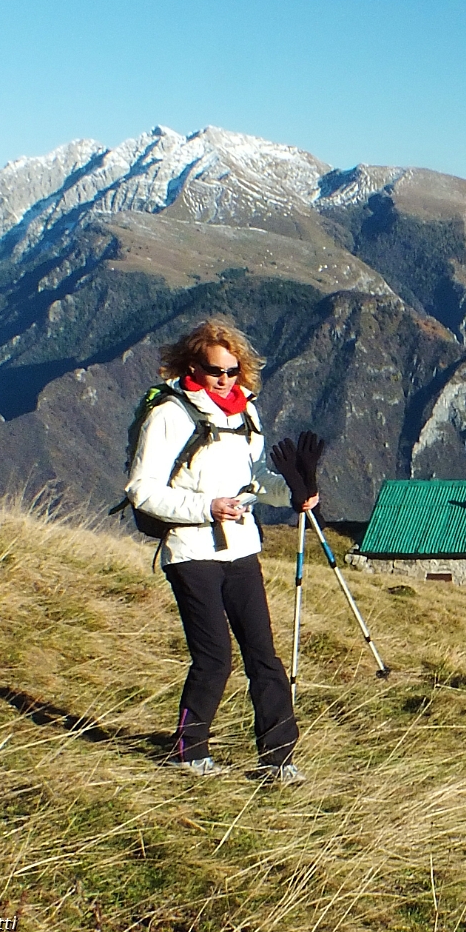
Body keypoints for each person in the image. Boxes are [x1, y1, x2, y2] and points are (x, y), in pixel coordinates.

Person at [125, 318, 316, 783]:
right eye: (216, 370)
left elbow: (252, 483)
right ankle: (189, 752)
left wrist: (292, 492)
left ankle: (278, 761)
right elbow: (141, 491)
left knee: (263, 656)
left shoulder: (245, 413)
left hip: (241, 549)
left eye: (233, 370)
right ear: (194, 366)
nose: (226, 379)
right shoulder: (170, 414)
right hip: (190, 552)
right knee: (214, 658)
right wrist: (207, 508)